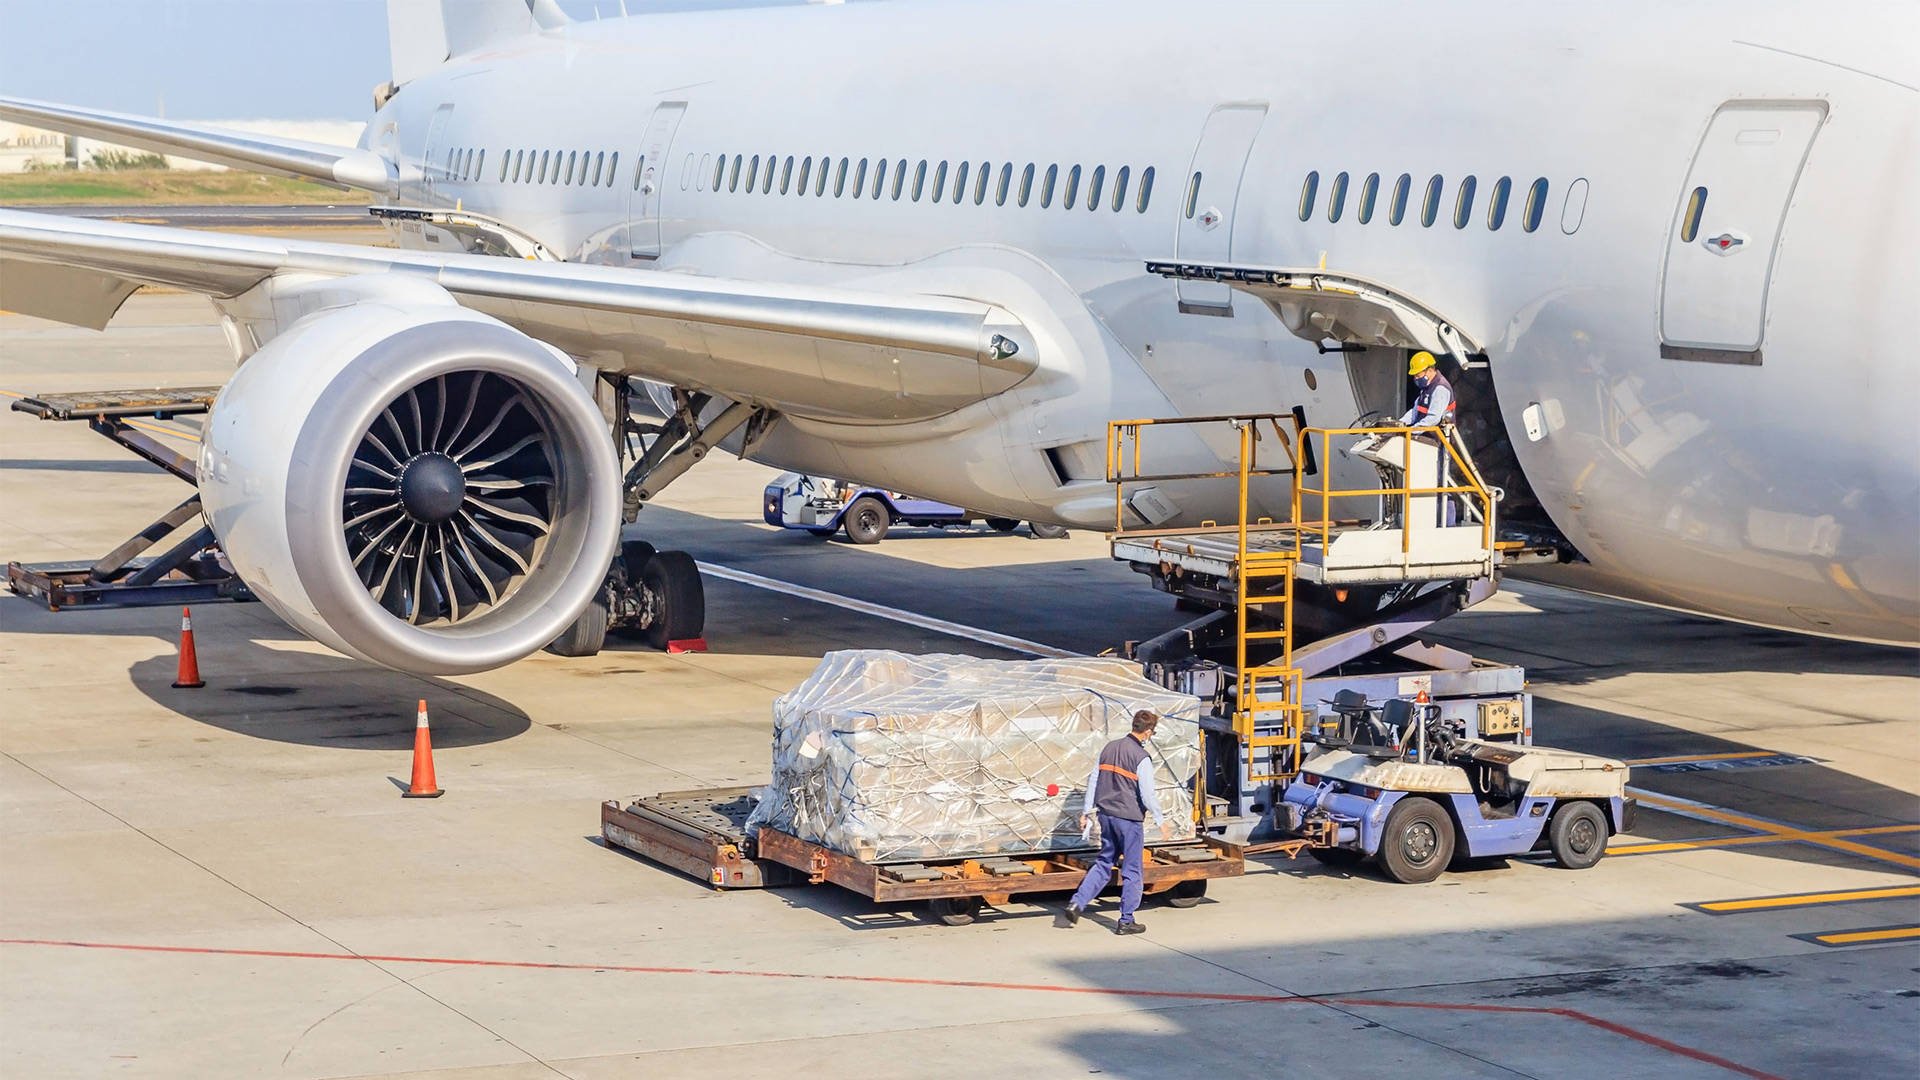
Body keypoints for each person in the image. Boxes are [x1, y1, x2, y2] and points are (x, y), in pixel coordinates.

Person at [1064, 709, 1171, 935]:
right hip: (1129, 820)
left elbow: (1093, 780)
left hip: (1106, 816)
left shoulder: (1109, 747)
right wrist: (1161, 820)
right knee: (1132, 870)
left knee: (1104, 863)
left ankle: (1077, 903)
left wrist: (1086, 811)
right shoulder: (1141, 757)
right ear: (1148, 732)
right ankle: (1126, 920)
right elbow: (1148, 794)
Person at [1398, 351, 1455, 429]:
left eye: (1418, 375)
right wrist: (1399, 423)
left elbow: (1433, 419)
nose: (1416, 378)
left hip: (1437, 438)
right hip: (1425, 435)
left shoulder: (1440, 389)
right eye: (1415, 376)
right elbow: (1415, 412)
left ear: (1430, 370)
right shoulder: (1427, 387)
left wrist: (1413, 431)